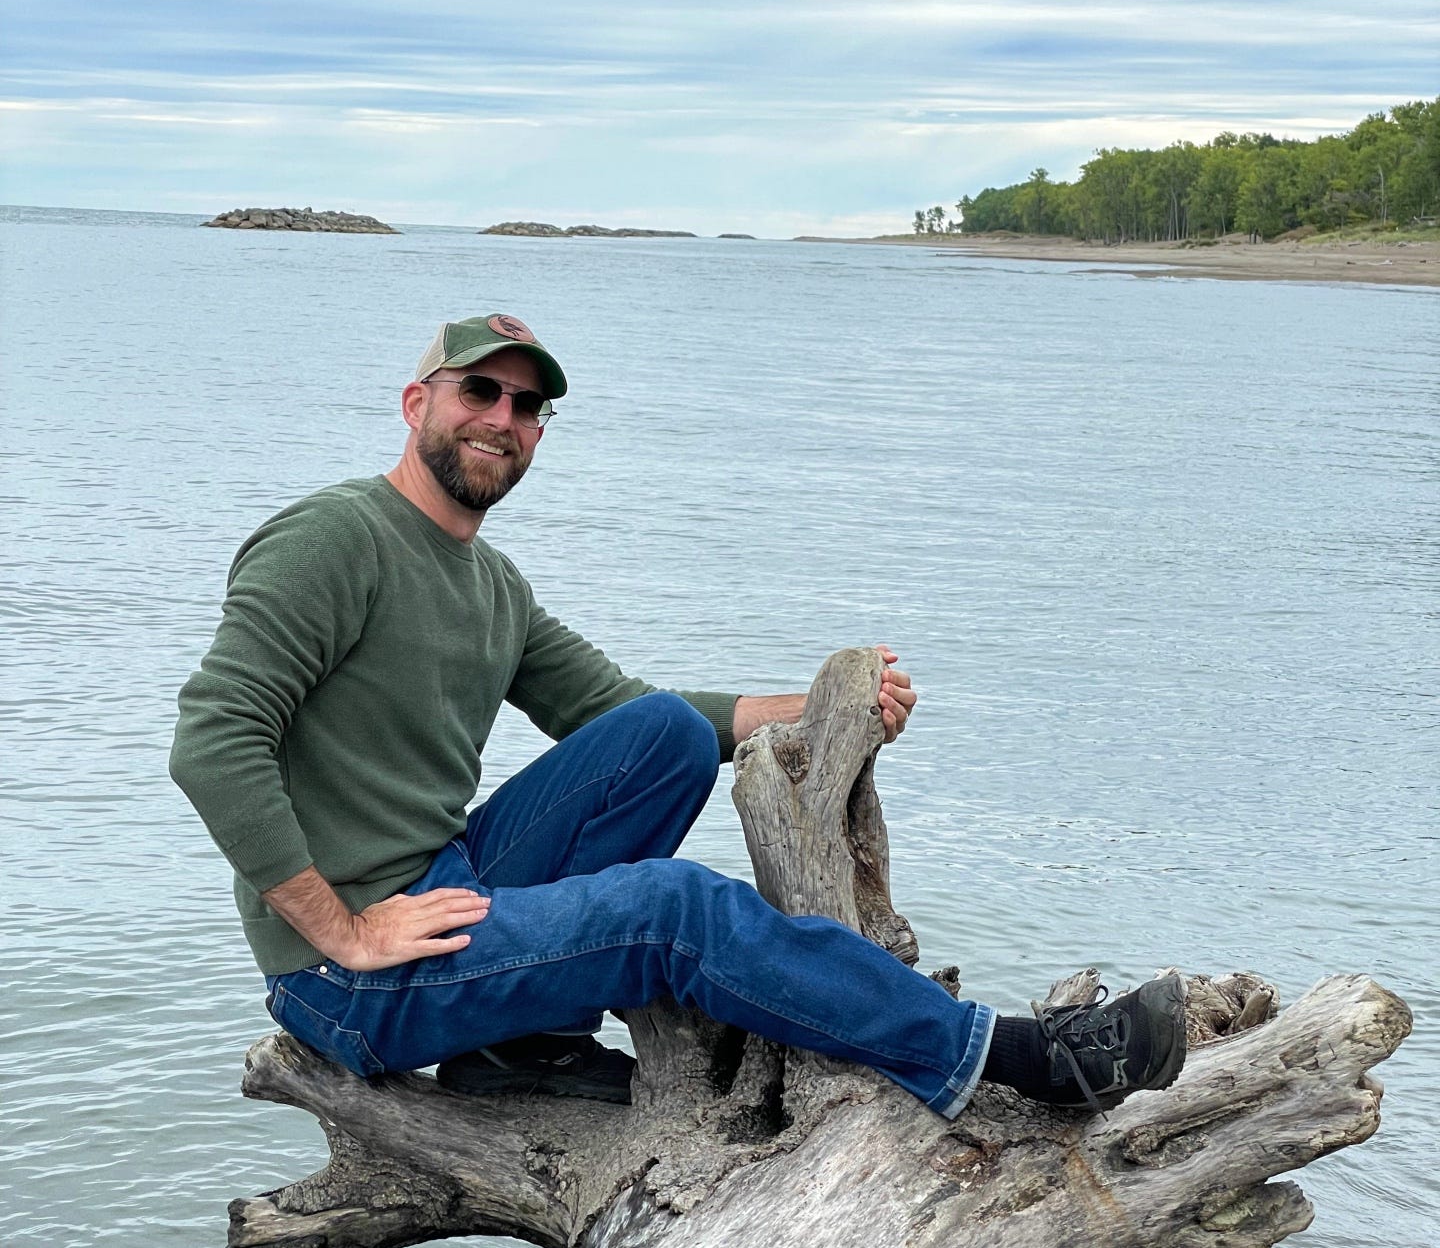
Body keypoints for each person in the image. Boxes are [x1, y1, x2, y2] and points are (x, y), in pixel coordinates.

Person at [170, 313, 1187, 1116]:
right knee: (671, 909)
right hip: (347, 980)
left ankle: (520, 1047)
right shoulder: (334, 538)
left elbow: (634, 714)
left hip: (444, 890)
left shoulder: (492, 586)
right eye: (479, 390)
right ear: (415, 402)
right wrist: (340, 930)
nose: (502, 418)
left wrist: (836, 706)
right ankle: (1007, 1058)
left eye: (528, 407)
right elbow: (214, 738)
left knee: (656, 736)